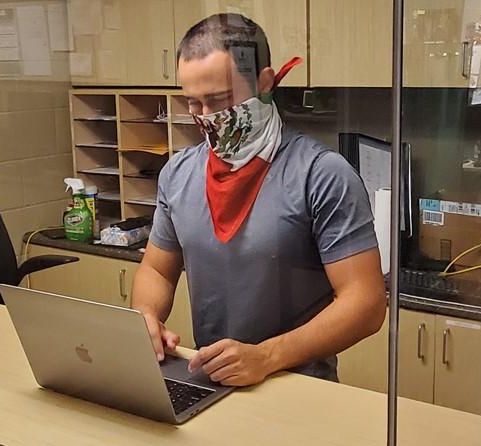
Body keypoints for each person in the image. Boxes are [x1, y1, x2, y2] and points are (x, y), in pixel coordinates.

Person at [131, 13, 386, 386]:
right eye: (193, 104)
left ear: (265, 82)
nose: (206, 118)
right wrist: (146, 316)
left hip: (298, 388)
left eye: (218, 100)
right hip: (214, 381)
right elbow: (156, 270)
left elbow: (366, 304)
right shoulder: (178, 174)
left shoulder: (321, 175)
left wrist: (267, 356)